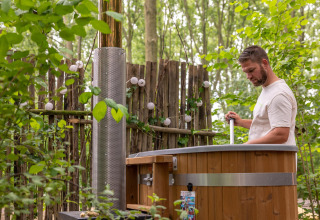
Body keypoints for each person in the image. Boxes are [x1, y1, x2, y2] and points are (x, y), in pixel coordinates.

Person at [225, 45, 297, 145]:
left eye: (251, 70)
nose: (248, 77)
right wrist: (241, 122)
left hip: (277, 160)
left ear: (264, 63)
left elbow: (280, 134)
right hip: (264, 158)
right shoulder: (268, 89)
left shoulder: (278, 95)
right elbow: (266, 127)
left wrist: (247, 146)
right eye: (245, 72)